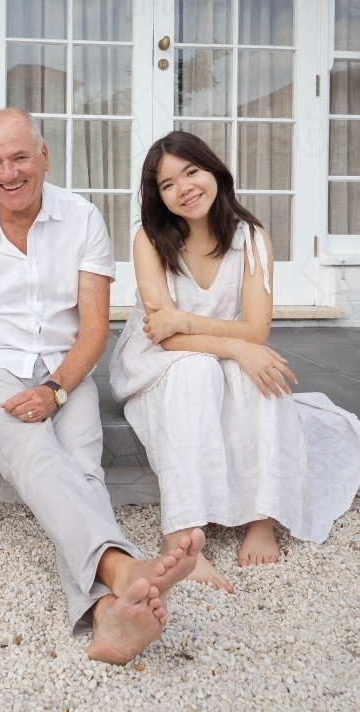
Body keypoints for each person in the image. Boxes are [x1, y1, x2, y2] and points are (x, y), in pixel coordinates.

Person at [0, 108, 204, 666]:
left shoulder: (82, 217)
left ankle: (106, 616)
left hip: (65, 371)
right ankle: (120, 567)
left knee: (83, 465)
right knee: (37, 452)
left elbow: (92, 329)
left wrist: (57, 390)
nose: (8, 173)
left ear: (44, 156)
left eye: (19, 157)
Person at [110, 131, 360, 591]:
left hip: (211, 347)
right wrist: (237, 345)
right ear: (158, 197)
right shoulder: (149, 239)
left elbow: (257, 331)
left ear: (214, 171)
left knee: (257, 370)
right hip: (160, 363)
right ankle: (182, 533)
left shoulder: (251, 237)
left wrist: (225, 339)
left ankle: (261, 516)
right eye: (167, 184)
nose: (183, 188)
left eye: (191, 171)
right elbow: (166, 341)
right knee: (196, 369)